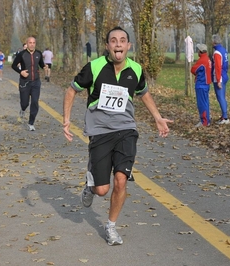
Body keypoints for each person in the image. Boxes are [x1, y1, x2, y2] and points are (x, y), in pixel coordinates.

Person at [63, 26, 173, 246]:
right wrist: (66, 120)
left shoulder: (136, 69)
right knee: (102, 190)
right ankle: (91, 184)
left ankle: (111, 226)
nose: (118, 44)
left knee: (121, 180)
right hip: (100, 131)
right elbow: (71, 90)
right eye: (113, 41)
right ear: (107, 46)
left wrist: (158, 117)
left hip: (126, 130)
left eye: (122, 40)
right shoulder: (94, 67)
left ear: (128, 46)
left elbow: (144, 93)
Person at [11, 37, 47, 131]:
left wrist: (45, 67)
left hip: (36, 82)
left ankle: (31, 123)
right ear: (27, 43)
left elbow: (41, 64)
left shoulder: (38, 53)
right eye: (30, 42)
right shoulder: (22, 54)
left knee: (35, 102)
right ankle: (22, 110)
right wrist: (21, 72)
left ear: (35, 43)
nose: (32, 44)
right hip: (25, 82)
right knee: (25, 103)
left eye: (33, 42)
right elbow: (13, 65)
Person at [191, 44, 211, 127]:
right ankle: (207, 119)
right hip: (206, 84)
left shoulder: (202, 60)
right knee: (206, 103)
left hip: (201, 84)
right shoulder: (208, 59)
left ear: (200, 51)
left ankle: (204, 121)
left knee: (201, 104)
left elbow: (193, 70)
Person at [212, 34, 230, 125]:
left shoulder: (217, 53)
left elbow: (218, 67)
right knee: (223, 96)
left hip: (219, 77)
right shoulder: (224, 50)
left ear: (214, 42)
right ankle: (224, 115)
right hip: (225, 75)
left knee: (220, 97)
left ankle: (225, 117)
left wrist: (218, 80)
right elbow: (226, 64)